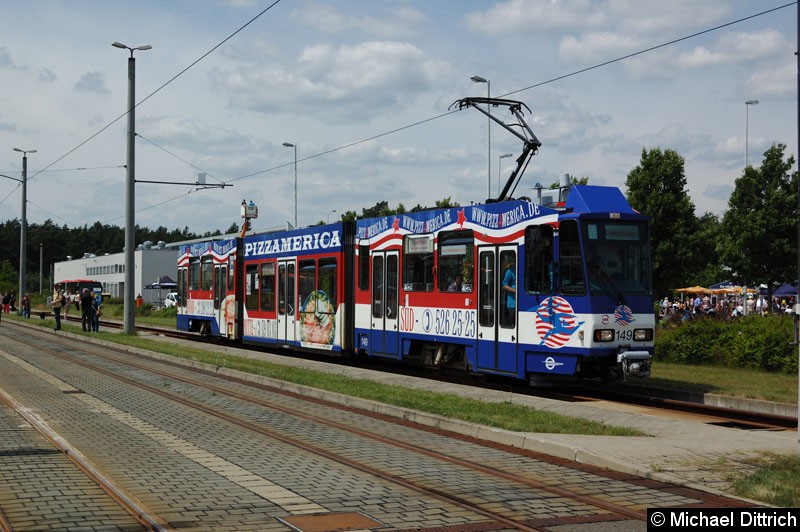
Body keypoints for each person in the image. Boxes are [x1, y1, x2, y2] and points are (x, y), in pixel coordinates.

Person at [501, 256, 516, 326]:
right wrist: (514, 290)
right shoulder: (510, 271)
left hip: (522, 301)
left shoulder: (524, 269)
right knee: (512, 322)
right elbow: (504, 285)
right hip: (512, 302)